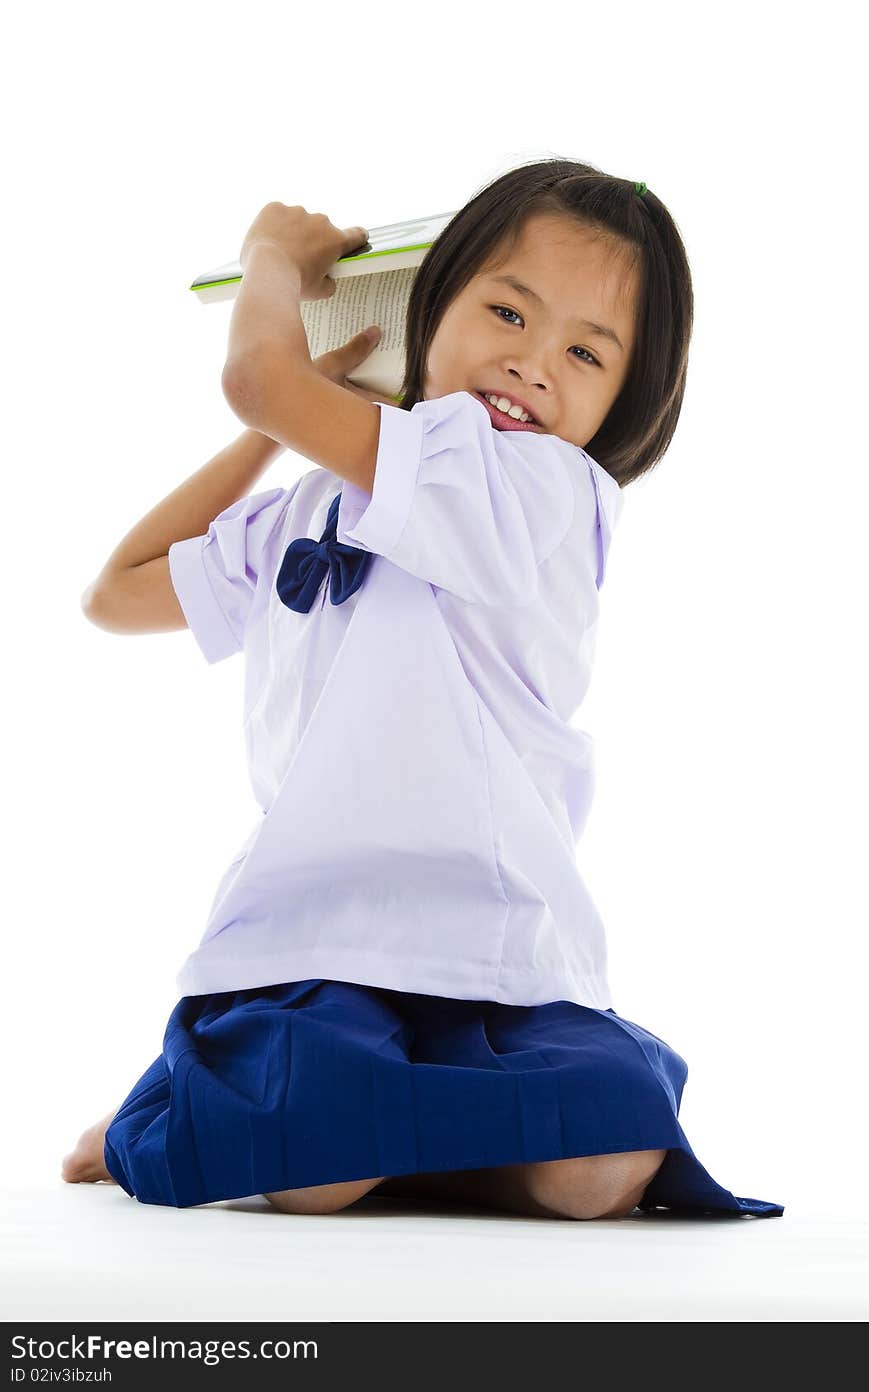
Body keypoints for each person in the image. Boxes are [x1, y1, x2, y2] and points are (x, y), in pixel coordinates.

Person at [63, 158, 783, 1220]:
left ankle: (312, 1132)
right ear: (431, 305)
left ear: (622, 398)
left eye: (585, 352)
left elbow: (258, 372)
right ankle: (243, 1128)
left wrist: (273, 265)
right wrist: (281, 429)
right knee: (314, 1185)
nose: (533, 363)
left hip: (501, 947)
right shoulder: (316, 500)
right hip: (317, 942)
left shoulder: (544, 487)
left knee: (606, 1172)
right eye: (506, 311)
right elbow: (116, 595)